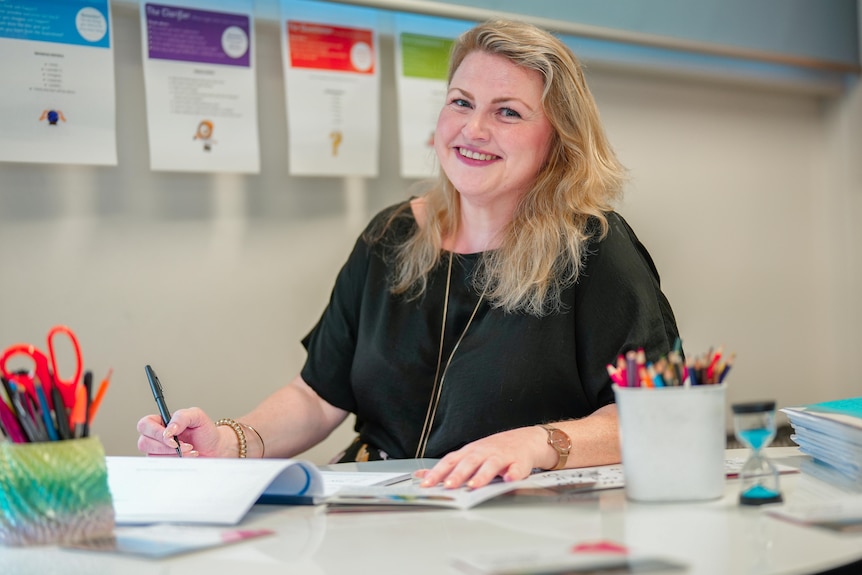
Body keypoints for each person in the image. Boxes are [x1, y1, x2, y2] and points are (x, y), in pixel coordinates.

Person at [137, 18, 679, 489]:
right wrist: (228, 442)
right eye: (460, 102)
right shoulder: (391, 236)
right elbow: (317, 396)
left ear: (557, 140)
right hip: (376, 508)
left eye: (508, 112)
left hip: (515, 514)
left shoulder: (593, 249)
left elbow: (655, 412)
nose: (473, 128)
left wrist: (536, 443)